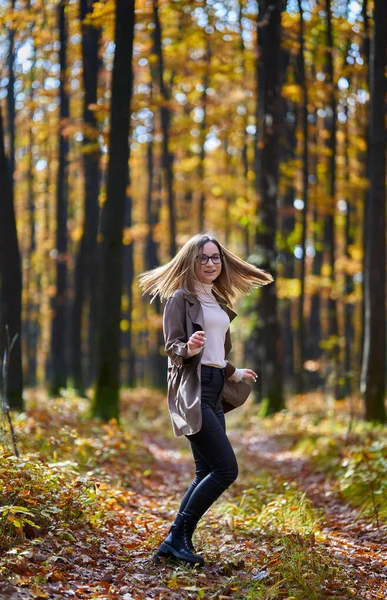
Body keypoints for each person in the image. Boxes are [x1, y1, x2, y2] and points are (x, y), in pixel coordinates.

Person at [138, 233, 273, 566]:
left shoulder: (216, 300)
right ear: (190, 261)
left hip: (214, 386)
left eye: (215, 258)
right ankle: (175, 538)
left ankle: (176, 543)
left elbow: (215, 353)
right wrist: (189, 348)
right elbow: (173, 348)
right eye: (203, 258)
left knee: (205, 471)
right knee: (226, 469)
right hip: (192, 388)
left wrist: (235, 373)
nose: (211, 264)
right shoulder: (179, 299)